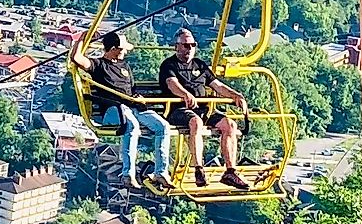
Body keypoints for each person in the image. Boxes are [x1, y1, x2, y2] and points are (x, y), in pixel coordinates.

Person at [157, 28, 247, 188]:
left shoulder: (200, 65)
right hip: (179, 109)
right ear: (176, 46)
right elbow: (172, 84)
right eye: (185, 45)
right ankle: (199, 169)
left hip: (203, 108)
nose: (189, 48)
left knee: (230, 125)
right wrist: (185, 95)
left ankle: (230, 171)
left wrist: (235, 95)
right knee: (196, 123)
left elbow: (217, 85)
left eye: (192, 45)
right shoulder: (169, 65)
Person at [80, 30, 172, 183]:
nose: (125, 53)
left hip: (133, 106)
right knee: (132, 126)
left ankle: (161, 172)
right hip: (113, 109)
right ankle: (127, 173)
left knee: (163, 127)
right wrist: (84, 38)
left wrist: (138, 97)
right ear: (113, 49)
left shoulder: (125, 66)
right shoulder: (98, 65)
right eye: (122, 49)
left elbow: (132, 88)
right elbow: (76, 58)